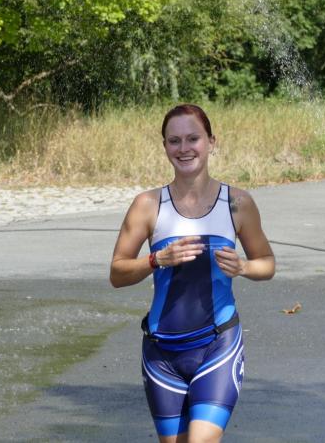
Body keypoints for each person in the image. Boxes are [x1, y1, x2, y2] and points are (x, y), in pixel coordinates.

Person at [110, 103, 275, 443]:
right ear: (165, 147)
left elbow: (267, 263)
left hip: (218, 345)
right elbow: (117, 273)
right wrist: (156, 259)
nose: (184, 148)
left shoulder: (237, 203)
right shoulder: (147, 205)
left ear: (211, 142)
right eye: (174, 141)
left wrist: (244, 266)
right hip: (162, 353)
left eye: (193, 138)